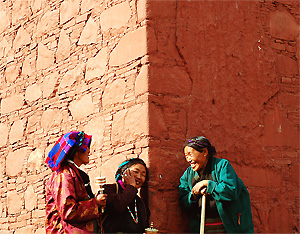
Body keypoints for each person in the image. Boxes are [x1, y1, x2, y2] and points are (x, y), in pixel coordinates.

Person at [179, 136, 254, 233]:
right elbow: (183, 201)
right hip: (203, 229)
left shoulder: (222, 166)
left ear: (205, 152)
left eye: (190, 154)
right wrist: (193, 195)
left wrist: (208, 184)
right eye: (186, 155)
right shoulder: (188, 175)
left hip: (226, 228)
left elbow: (230, 191)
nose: (188, 159)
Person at [45, 131, 107, 233]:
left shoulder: (75, 174)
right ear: (77, 153)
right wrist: (96, 203)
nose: (89, 151)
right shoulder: (64, 175)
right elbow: (68, 211)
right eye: (86, 147)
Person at [102, 158, 150, 233]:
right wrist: (131, 186)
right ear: (123, 173)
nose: (139, 177)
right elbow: (118, 206)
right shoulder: (109, 189)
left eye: (143, 175)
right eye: (136, 172)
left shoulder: (140, 202)